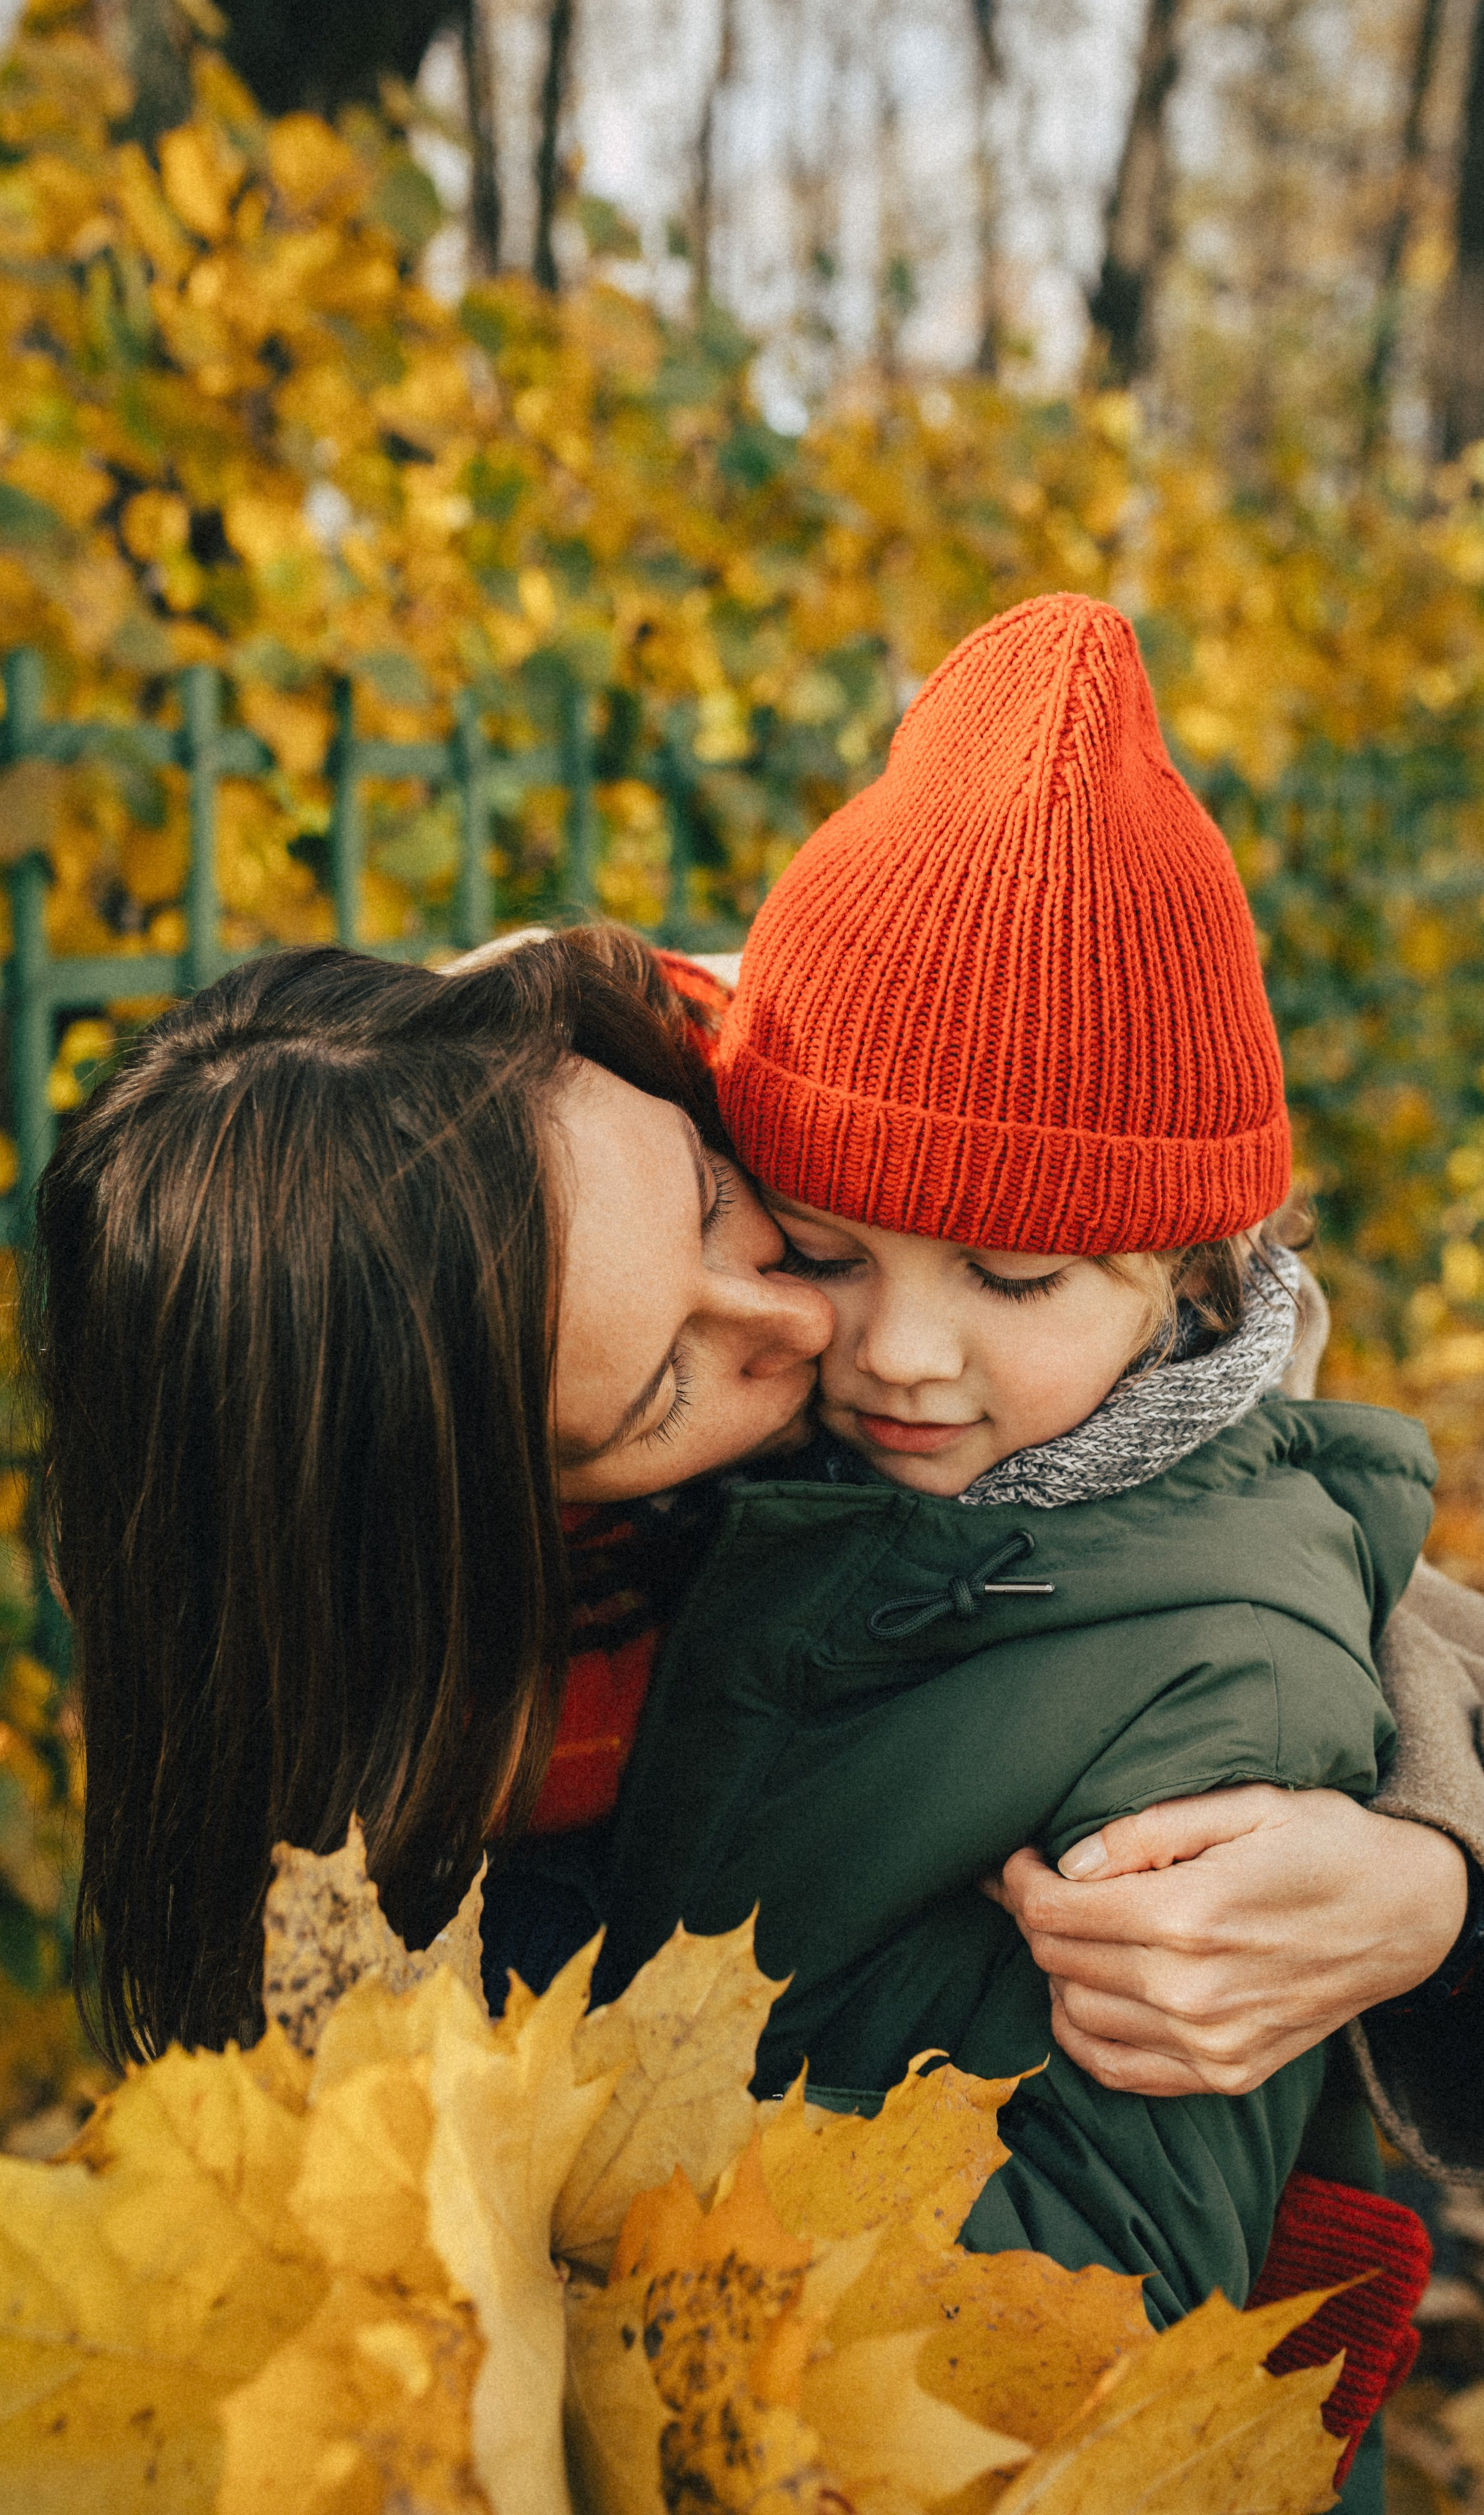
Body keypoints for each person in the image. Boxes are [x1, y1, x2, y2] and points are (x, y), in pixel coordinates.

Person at [587, 593, 1467, 2497]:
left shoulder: (1218, 1700)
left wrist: (603, 2285)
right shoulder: (777, 1432)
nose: (900, 1350)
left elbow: (1102, 2307)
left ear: (1199, 1274)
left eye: (1012, 1274)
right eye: (827, 1243)